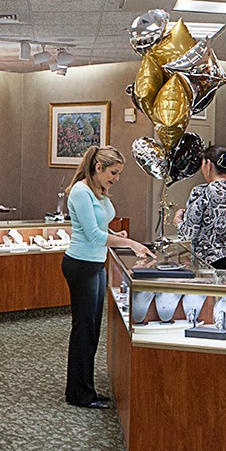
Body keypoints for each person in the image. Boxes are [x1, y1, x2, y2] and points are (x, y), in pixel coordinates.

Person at [62, 146, 153, 409]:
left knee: (92, 329)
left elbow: (99, 227)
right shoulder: (80, 191)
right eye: (114, 172)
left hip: (95, 263)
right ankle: (78, 394)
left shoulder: (98, 191)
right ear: (98, 167)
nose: (117, 178)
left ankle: (86, 388)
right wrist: (132, 243)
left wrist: (116, 235)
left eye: (119, 173)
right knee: (84, 329)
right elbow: (93, 235)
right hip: (81, 264)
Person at [174, 145, 226, 270]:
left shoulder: (202, 192)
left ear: (209, 165)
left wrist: (178, 220)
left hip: (213, 261)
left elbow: (188, 234)